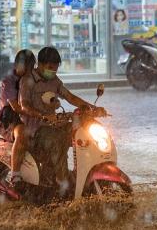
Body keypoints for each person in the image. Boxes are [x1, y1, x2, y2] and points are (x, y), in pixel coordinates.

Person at [7, 47, 99, 185]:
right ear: (40, 64)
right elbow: (24, 105)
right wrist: (43, 116)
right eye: (50, 67)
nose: (53, 71)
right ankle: (62, 180)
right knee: (58, 139)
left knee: (82, 132)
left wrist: (92, 108)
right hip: (35, 130)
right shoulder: (27, 81)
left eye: (55, 68)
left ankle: (84, 173)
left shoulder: (54, 81)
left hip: (53, 125)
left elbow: (70, 97)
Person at [0, 49, 36, 163]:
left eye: (31, 68)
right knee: (21, 134)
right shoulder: (9, 81)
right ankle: (15, 174)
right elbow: (16, 107)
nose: (28, 71)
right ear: (17, 65)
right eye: (26, 68)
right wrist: (39, 114)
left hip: (28, 118)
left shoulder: (32, 79)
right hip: (10, 121)